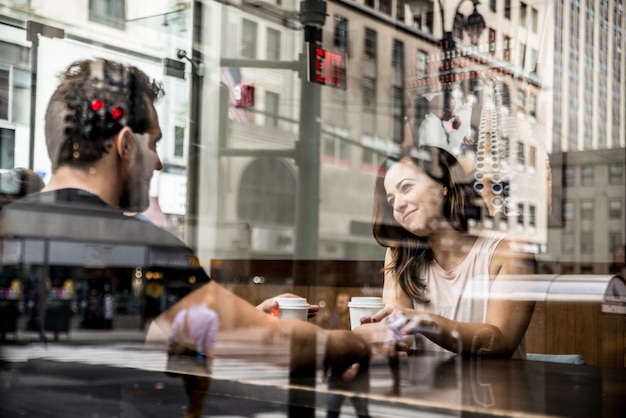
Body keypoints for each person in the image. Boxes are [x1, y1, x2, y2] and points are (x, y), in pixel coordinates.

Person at [0, 58, 375, 409]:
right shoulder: (141, 244)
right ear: (126, 145)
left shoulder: (7, 227)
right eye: (155, 143)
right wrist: (359, 341)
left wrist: (221, 322)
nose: (159, 162)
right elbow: (276, 345)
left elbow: (94, 341)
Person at [363, 144, 536, 358]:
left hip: (490, 389)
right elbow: (400, 332)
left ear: (443, 185)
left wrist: (425, 322)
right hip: (423, 389)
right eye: (391, 199)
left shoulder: (509, 251)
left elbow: (501, 341)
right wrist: (374, 341)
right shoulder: (400, 255)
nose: (397, 204)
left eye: (406, 187)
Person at [166, 304, 218, 418]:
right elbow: (210, 344)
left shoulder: (183, 314)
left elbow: (170, 339)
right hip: (200, 362)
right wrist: (210, 365)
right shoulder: (211, 316)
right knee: (196, 404)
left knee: (193, 399)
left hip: (185, 362)